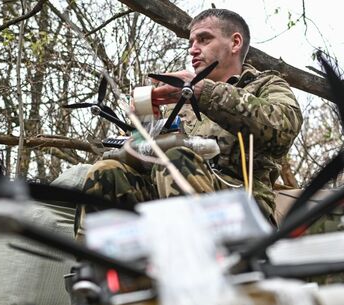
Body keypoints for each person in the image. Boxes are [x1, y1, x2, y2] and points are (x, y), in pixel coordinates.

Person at [77, 8, 302, 238]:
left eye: (204, 39)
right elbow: (152, 158)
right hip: (171, 204)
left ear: (235, 43)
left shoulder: (265, 85)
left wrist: (203, 92)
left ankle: (199, 265)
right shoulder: (181, 104)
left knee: (177, 160)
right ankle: (96, 270)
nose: (193, 49)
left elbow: (283, 126)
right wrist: (145, 126)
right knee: (107, 172)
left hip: (243, 209)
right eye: (191, 42)